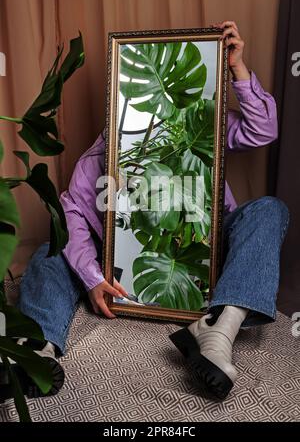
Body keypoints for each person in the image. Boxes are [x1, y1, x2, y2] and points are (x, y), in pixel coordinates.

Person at [0, 21, 289, 401]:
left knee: (269, 209)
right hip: (118, 268)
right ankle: (35, 349)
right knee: (51, 249)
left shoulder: (197, 125)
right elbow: (70, 218)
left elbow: (262, 130)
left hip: (210, 252)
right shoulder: (98, 160)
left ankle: (219, 327)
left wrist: (237, 68)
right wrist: (91, 277)